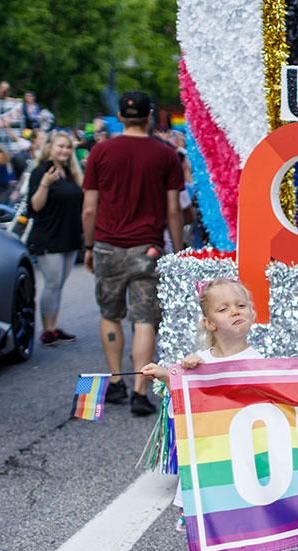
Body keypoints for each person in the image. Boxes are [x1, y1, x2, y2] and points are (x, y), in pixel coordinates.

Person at [140, 278, 298, 551]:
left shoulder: (261, 363)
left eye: (240, 305)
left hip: (252, 470)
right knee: (219, 538)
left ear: (252, 313)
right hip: (212, 471)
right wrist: (170, 375)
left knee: (263, 540)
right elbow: (180, 403)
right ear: (209, 323)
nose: (234, 312)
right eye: (223, 309)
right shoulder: (198, 364)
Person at [82, 91, 184, 416]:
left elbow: (89, 208)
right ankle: (141, 391)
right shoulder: (166, 154)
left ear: (121, 116)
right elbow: (173, 210)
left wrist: (88, 245)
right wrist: (178, 249)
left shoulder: (100, 151)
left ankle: (115, 383)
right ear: (149, 115)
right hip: (148, 246)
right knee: (145, 320)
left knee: (110, 315)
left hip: (107, 246)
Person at [27, 131, 83, 344]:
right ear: (50, 147)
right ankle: (47, 330)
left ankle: (53, 326)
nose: (65, 151)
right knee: (52, 283)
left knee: (59, 284)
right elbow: (35, 206)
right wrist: (45, 183)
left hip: (68, 236)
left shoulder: (71, 173)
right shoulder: (41, 171)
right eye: (60, 146)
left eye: (68, 147)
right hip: (48, 236)